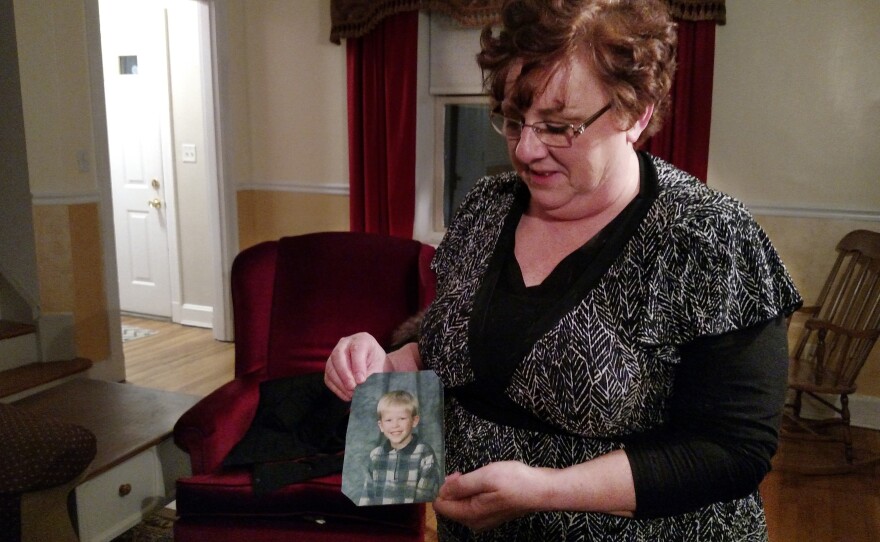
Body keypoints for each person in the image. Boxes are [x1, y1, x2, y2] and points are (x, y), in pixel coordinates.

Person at [326, 0, 802, 539]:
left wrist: (545, 489)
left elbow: (732, 450)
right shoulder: (486, 206)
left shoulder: (709, 238)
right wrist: (386, 364)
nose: (526, 150)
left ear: (636, 113)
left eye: (558, 126)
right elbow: (457, 349)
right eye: (513, 120)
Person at [359, 390, 441, 505]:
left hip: (410, 514)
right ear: (381, 426)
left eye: (402, 418)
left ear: (414, 421)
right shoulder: (375, 455)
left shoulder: (424, 453)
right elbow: (367, 495)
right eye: (389, 420)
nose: (395, 425)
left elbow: (425, 496)